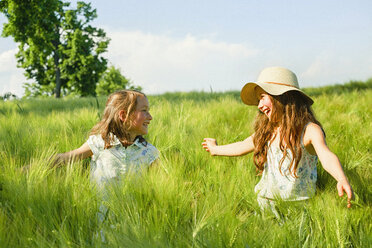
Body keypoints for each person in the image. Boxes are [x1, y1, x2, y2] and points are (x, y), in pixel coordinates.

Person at [202, 67, 353, 216]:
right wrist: (215, 149)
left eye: (262, 97)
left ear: (282, 97)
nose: (259, 106)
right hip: (266, 206)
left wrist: (341, 178)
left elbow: (326, 156)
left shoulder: (309, 130)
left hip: (299, 209)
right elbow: (242, 145)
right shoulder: (268, 130)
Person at [52, 90, 159, 229]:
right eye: (144, 110)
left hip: (134, 227)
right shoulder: (100, 143)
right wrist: (30, 168)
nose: (150, 117)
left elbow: (160, 189)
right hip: (100, 224)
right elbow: (66, 158)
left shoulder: (150, 153)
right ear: (123, 115)